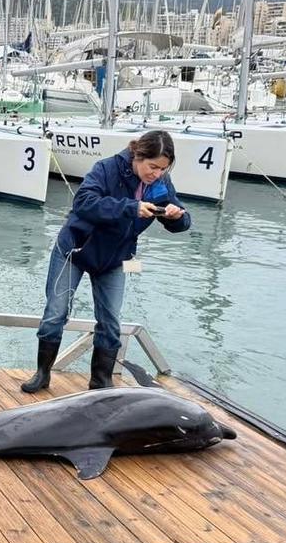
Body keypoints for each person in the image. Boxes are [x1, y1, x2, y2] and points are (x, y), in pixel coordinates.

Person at [22, 130, 190, 393]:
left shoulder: (161, 184)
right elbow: (84, 202)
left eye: (163, 169)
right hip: (75, 250)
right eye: (152, 166)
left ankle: (101, 383)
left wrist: (175, 216)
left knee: (111, 321)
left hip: (114, 259)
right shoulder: (106, 168)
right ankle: (42, 374)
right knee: (56, 314)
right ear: (138, 155)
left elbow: (183, 223)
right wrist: (130, 207)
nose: (156, 173)